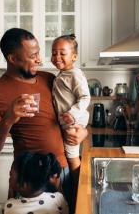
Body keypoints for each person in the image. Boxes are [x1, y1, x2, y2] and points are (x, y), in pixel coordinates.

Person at [0, 28, 88, 210]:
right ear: (12, 59)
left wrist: (83, 132)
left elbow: (75, 113)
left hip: (63, 172)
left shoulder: (51, 79)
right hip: (30, 182)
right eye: (33, 55)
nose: (40, 60)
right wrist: (9, 119)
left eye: (39, 54)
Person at [51, 34, 90, 182]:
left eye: (62, 53)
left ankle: (77, 189)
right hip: (68, 122)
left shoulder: (75, 74)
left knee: (72, 157)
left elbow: (85, 97)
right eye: (54, 53)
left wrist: (72, 114)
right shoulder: (62, 75)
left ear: (74, 57)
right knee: (69, 157)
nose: (57, 57)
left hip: (73, 123)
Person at [3, 152, 69, 214]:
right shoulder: (58, 199)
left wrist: (11, 194)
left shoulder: (9, 207)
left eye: (11, 175)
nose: (9, 178)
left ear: (24, 185)